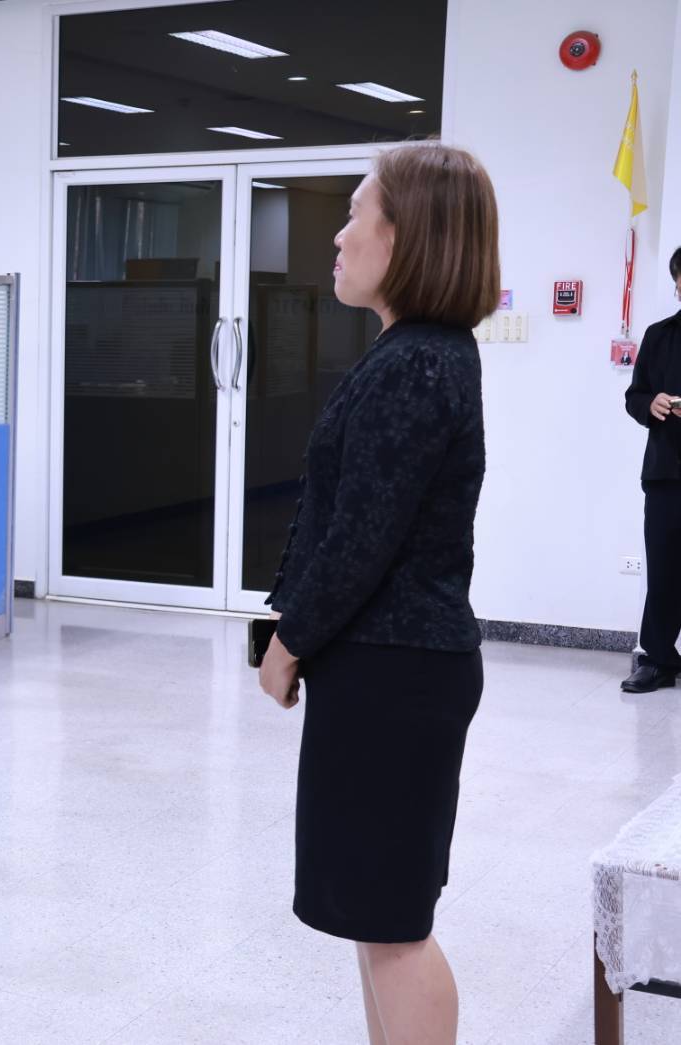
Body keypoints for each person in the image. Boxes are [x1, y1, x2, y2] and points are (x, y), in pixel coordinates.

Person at [258, 142, 499, 1045]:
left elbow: (362, 539)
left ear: (408, 236)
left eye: (355, 213)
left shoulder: (417, 364)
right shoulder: (417, 354)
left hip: (396, 672)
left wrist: (287, 643)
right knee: (374, 910)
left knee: (393, 922)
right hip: (391, 667)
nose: (338, 233)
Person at [620, 246, 681, 693]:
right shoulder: (659, 336)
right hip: (666, 474)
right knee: (662, 569)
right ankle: (658, 659)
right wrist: (651, 404)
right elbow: (634, 396)